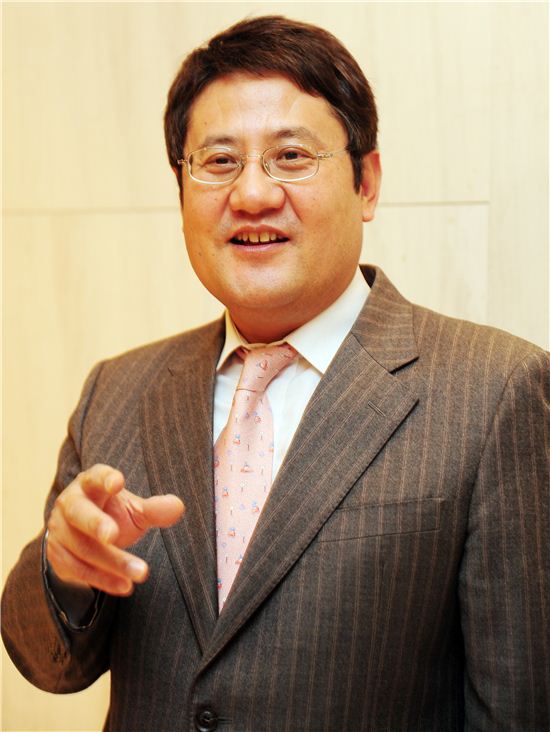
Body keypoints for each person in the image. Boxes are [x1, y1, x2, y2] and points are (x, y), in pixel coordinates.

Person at [2, 14, 549, 731]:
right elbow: (50, 664)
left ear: (367, 183)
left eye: (291, 156)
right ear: (181, 190)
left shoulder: (496, 391)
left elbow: (520, 705)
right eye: (218, 161)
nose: (253, 194)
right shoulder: (119, 388)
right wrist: (63, 568)